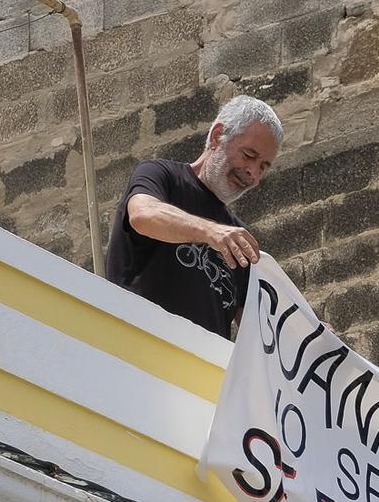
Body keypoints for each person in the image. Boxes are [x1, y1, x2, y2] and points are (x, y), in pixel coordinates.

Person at [103, 94, 281, 339]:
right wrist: (210, 232)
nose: (253, 173)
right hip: (137, 354)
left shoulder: (237, 238)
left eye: (263, 167)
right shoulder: (160, 175)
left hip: (201, 374)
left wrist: (308, 338)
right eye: (249, 155)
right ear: (218, 135)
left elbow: (260, 329)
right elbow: (143, 214)